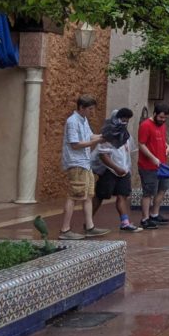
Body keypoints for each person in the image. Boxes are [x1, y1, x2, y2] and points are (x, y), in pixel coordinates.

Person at [59, 95, 109, 240]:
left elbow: (90, 136)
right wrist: (99, 140)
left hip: (85, 162)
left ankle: (89, 226)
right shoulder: (72, 121)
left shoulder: (84, 120)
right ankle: (65, 229)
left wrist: (102, 136)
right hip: (76, 162)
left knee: (88, 195)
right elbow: (75, 144)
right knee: (74, 195)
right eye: (90, 109)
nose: (92, 112)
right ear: (81, 108)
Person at [92, 107, 141, 233]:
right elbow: (103, 155)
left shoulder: (125, 135)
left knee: (122, 195)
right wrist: (116, 168)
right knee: (100, 196)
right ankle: (88, 222)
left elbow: (128, 152)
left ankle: (125, 222)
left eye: (126, 121)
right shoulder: (107, 133)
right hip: (109, 170)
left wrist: (126, 169)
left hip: (124, 170)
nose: (124, 123)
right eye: (122, 120)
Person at [138, 103, 169, 230]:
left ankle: (154, 214)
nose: (163, 120)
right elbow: (141, 144)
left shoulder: (162, 125)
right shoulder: (146, 125)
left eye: (165, 118)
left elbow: (162, 140)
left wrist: (168, 146)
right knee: (148, 193)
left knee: (162, 189)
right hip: (148, 166)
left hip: (162, 165)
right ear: (155, 114)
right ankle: (145, 219)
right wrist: (152, 158)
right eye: (161, 118)